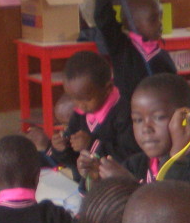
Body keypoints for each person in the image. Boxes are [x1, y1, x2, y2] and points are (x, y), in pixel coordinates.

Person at [90, 73, 190, 207]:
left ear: (185, 120)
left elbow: (176, 219)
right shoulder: (136, 164)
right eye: (137, 120)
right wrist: (96, 182)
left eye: (158, 117)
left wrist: (129, 185)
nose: (146, 128)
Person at [94, 0, 176, 98]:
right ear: (132, 23)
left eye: (160, 18)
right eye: (153, 19)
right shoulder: (122, 48)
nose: (159, 24)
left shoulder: (161, 55)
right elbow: (103, 16)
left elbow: (174, 87)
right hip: (128, 118)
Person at [49, 50, 140, 183]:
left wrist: (92, 145)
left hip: (116, 188)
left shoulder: (124, 113)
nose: (80, 105)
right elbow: (73, 160)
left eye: (86, 99)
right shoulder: (80, 115)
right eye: (74, 99)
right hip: (86, 186)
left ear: (108, 89)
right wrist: (61, 149)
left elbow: (130, 156)